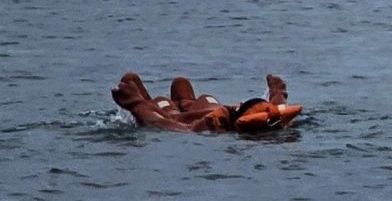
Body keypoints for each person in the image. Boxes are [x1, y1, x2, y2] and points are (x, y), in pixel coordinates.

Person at [112, 72, 302, 133]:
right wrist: (278, 92)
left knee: (175, 89)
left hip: (197, 109)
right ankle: (184, 102)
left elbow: (162, 122)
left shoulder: (221, 119)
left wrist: (136, 103)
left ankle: (139, 92)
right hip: (197, 111)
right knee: (181, 86)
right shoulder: (221, 122)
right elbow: (278, 107)